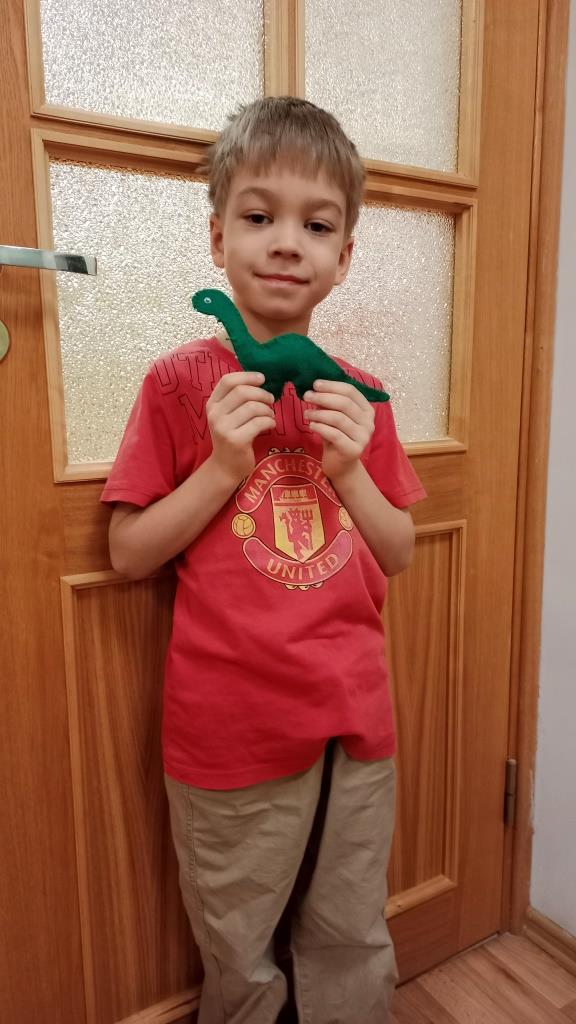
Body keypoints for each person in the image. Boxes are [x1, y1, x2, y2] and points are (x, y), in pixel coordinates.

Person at [101, 96, 426, 1024]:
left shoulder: (360, 396)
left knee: (352, 928)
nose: (287, 243)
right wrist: (221, 468)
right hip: (230, 728)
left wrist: (351, 469)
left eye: (316, 225)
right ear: (218, 239)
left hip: (355, 716)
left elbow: (398, 552)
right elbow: (127, 553)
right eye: (258, 216)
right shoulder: (177, 384)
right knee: (238, 944)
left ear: (344, 257)